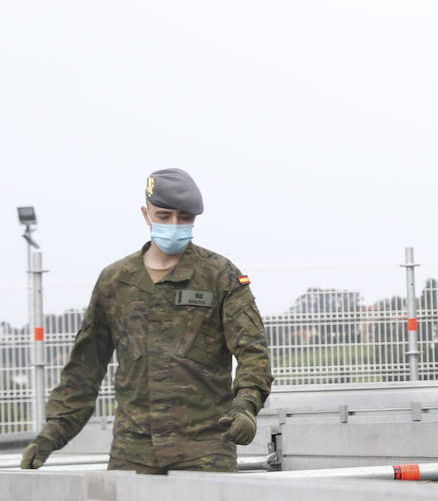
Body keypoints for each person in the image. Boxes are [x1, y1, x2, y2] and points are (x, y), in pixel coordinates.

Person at [20, 168, 273, 473]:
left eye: (184, 218)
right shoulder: (116, 281)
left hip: (204, 450)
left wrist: (245, 406)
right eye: (164, 216)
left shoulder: (221, 276)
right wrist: (52, 434)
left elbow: (253, 352)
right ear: (146, 214)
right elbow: (85, 369)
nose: (174, 225)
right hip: (134, 451)